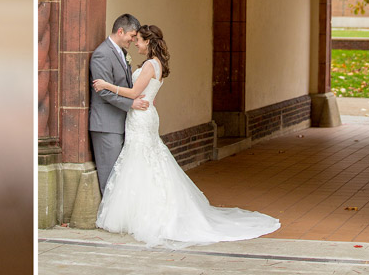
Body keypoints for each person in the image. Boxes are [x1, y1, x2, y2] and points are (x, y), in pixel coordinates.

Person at [92, 25, 280, 248]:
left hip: (141, 117)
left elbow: (133, 93)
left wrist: (107, 85)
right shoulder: (157, 65)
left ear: (149, 43)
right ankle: (146, 211)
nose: (136, 44)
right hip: (146, 113)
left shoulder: (150, 65)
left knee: (141, 160)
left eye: (139, 40)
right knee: (147, 161)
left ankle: (149, 215)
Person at [89, 14, 149, 195]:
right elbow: (104, 91)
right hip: (106, 124)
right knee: (110, 175)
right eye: (132, 36)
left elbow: (125, 85)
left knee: (121, 174)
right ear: (120, 31)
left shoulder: (121, 52)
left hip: (120, 122)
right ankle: (107, 217)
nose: (133, 40)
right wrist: (131, 103)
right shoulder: (102, 54)